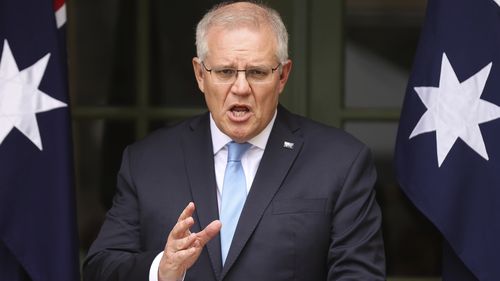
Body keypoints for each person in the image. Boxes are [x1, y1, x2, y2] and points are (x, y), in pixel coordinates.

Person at [83, 1, 386, 280]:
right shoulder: (147, 161)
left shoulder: (341, 162)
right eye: (226, 71)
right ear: (200, 74)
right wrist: (161, 270)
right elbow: (100, 267)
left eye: (256, 72)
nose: (240, 88)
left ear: (282, 76)